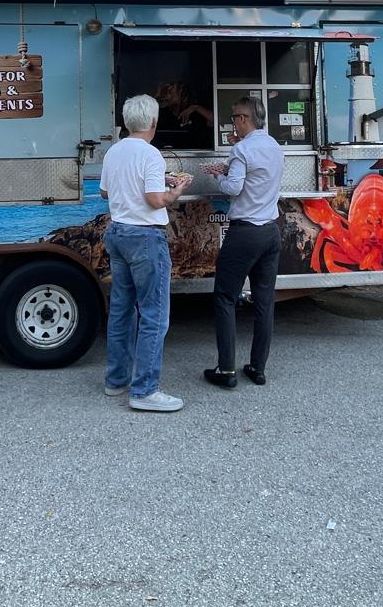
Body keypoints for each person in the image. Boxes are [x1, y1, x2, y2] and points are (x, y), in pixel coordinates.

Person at [99, 93, 192, 412]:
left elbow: (105, 191)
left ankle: (116, 380)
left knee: (122, 310)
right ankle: (145, 391)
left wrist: (156, 181)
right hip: (145, 237)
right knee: (154, 315)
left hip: (118, 233)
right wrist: (175, 190)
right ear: (153, 122)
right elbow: (155, 200)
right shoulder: (151, 155)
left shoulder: (114, 151)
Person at [200, 96, 285, 389]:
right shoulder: (274, 146)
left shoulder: (241, 149)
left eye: (235, 117)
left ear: (245, 119)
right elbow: (258, 179)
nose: (233, 122)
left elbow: (235, 189)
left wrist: (219, 180)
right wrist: (229, 169)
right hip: (270, 231)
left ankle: (226, 370)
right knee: (264, 303)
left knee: (225, 298)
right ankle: (257, 368)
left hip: (244, 232)